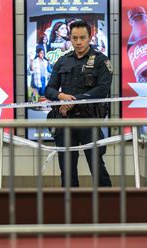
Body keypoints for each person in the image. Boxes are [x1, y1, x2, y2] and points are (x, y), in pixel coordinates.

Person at [45, 20, 113, 187]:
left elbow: (103, 89)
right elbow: (49, 89)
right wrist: (61, 96)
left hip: (89, 120)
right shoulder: (63, 60)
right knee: (67, 170)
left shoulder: (101, 61)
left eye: (82, 37)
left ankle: (109, 206)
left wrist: (74, 100)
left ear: (90, 37)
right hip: (65, 121)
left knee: (97, 166)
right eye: (74, 38)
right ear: (70, 38)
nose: (78, 42)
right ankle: (69, 207)